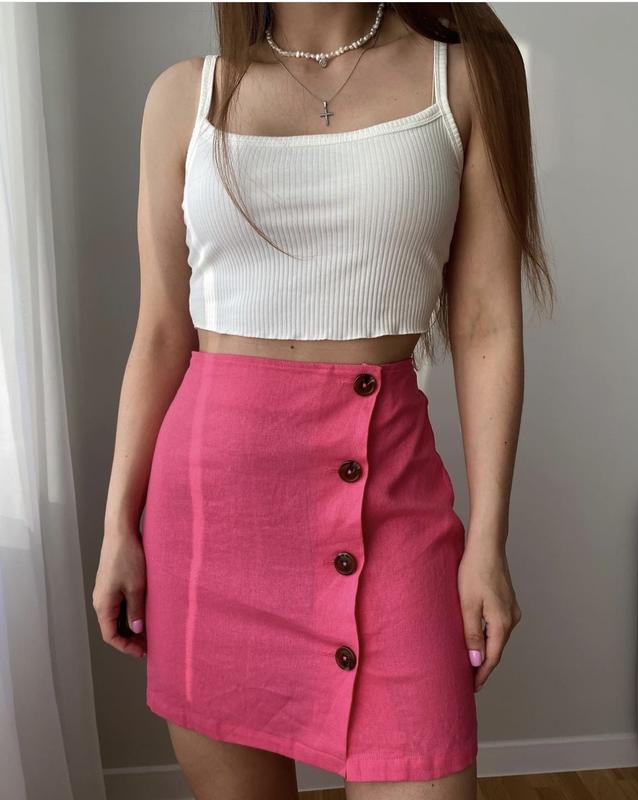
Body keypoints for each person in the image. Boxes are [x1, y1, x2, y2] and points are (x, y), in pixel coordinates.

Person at [93, 3, 553, 798]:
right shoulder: (183, 96)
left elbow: (484, 321)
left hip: (390, 508)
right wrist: (116, 529)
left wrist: (488, 538)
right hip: (208, 525)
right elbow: (163, 333)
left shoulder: (465, 75)